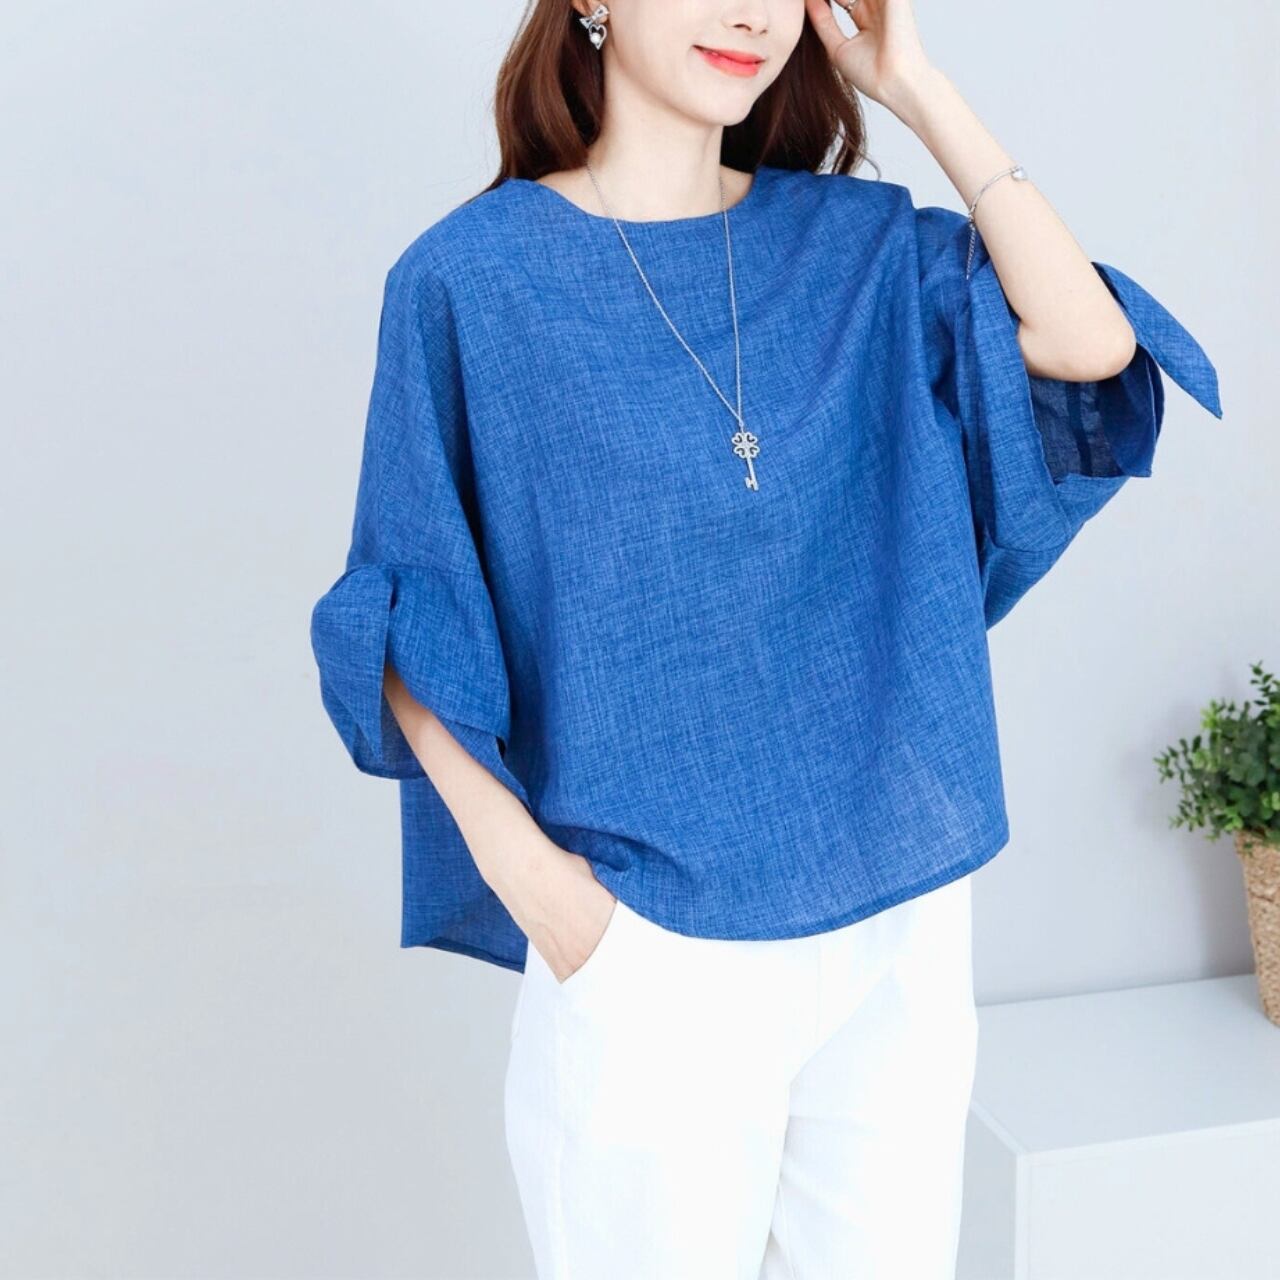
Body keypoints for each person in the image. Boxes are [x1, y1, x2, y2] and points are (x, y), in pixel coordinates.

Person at [309, 0, 1224, 1275]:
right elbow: (410, 599)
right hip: (646, 941)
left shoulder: (854, 247)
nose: (748, 12)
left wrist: (915, 85)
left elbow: (1085, 347)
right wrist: (554, 905)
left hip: (892, 922)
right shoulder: (472, 281)